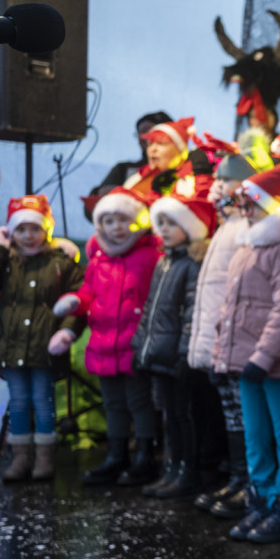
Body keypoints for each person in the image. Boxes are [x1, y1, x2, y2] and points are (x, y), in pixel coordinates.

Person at [213, 159, 280, 543]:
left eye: (250, 202)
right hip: (245, 364)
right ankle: (261, 500)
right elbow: (230, 310)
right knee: (255, 435)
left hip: (275, 364)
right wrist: (224, 357)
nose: (243, 209)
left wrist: (262, 358)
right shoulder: (245, 245)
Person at [0, 195, 85, 481]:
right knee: (19, 401)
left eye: (35, 228)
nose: (29, 236)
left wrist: (67, 331)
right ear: (11, 232)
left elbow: (79, 300)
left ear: (46, 230)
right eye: (21, 229)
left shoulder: (60, 263)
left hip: (45, 347)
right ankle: (20, 458)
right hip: (12, 345)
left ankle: (44, 459)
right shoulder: (6, 261)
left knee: (43, 401)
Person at [53, 186, 162, 486]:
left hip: (135, 344)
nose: (117, 228)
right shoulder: (99, 259)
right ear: (100, 225)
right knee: (112, 403)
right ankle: (116, 455)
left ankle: (145, 456)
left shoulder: (150, 255)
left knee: (139, 402)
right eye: (109, 221)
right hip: (103, 343)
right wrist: (77, 302)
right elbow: (90, 292)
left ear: (136, 221)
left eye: (122, 220)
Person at [131, 193, 215, 499]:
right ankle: (173, 468)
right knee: (171, 414)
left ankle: (187, 472)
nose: (164, 229)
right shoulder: (164, 262)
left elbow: (192, 311)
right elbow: (151, 307)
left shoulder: (192, 264)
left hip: (177, 354)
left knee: (183, 414)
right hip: (159, 354)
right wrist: (140, 347)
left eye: (172, 223)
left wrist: (184, 353)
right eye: (161, 223)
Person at [190, 154, 258, 519]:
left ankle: (249, 482)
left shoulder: (243, 227)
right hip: (221, 337)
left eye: (226, 181)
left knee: (243, 412)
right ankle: (237, 477)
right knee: (231, 412)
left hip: (235, 337)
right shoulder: (225, 226)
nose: (219, 186)